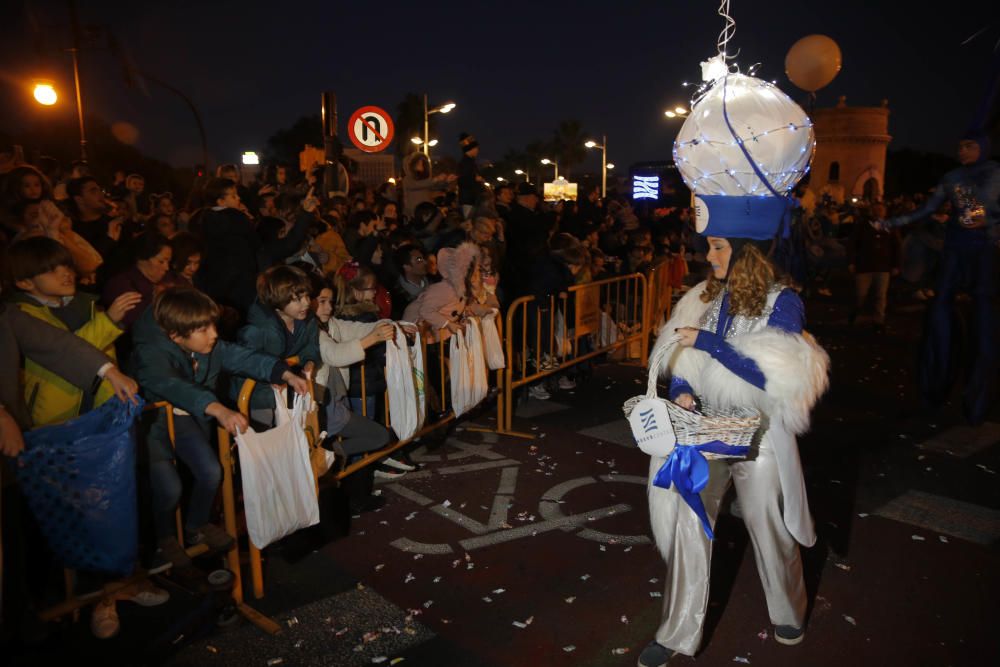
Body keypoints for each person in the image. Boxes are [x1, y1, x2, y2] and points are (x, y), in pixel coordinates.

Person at [638, 230, 829, 665]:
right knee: (690, 522)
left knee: (768, 522)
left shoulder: (783, 302)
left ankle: (788, 610)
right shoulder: (708, 297)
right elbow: (687, 361)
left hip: (759, 435)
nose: (709, 255)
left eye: (718, 246)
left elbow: (773, 377)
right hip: (706, 431)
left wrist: (708, 343)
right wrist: (683, 387)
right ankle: (676, 631)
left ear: (747, 253)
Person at [131, 286, 309, 572]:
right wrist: (217, 408)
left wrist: (283, 372)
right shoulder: (150, 351)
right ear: (175, 336)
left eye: (212, 325)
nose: (213, 334)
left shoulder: (208, 344)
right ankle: (163, 538)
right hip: (152, 425)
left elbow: (243, 357)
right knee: (168, 488)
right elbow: (168, 383)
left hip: (188, 418)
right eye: (203, 329)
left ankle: (196, 525)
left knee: (211, 471)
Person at [879, 133, 1000, 424]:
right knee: (939, 315)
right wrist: (892, 222)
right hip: (956, 250)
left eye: (969, 146)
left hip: (984, 252)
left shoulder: (992, 171)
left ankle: (977, 403)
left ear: (983, 148)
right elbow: (927, 210)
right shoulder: (952, 176)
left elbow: (982, 209)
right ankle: (932, 391)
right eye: (959, 145)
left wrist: (974, 210)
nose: (962, 150)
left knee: (983, 328)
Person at [232, 265, 321, 426]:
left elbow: (311, 346)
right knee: (267, 442)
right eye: (297, 299)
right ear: (277, 300)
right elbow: (246, 363)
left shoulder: (308, 321)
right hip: (257, 398)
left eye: (307, 296)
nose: (307, 303)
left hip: (290, 390)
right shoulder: (258, 328)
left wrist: (310, 361)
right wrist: (274, 376)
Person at [847, 201, 900, 331]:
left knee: (881, 295)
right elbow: (852, 244)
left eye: (881, 209)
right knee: (861, 294)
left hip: (883, 267)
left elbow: (897, 246)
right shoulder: (863, 225)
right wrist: (851, 262)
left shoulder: (890, 226)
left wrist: (896, 265)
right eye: (876, 209)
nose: (878, 212)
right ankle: (856, 315)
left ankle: (878, 321)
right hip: (864, 266)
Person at [457, 133, 483, 219]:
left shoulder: (471, 162)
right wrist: (475, 178)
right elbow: (461, 180)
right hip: (468, 201)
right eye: (476, 148)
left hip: (472, 200)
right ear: (472, 148)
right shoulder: (465, 163)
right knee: (469, 226)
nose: (478, 151)